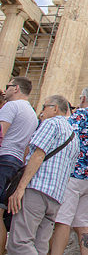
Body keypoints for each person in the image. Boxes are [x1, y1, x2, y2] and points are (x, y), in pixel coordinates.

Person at [6, 95, 79, 254]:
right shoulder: (74, 136)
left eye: (44, 107)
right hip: (56, 197)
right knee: (40, 246)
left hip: (37, 189)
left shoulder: (51, 123)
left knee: (20, 242)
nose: (41, 112)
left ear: (55, 108)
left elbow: (38, 154)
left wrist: (20, 188)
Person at [50, 85, 88, 255]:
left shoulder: (79, 115)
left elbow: (63, 136)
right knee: (83, 223)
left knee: (63, 222)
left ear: (83, 99)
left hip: (75, 175)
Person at [0, 76, 38, 251]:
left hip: (3, 158)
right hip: (16, 163)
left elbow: (1, 133)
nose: (5, 90)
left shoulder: (11, 106)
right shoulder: (32, 113)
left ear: (15, 88)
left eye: (8, 86)